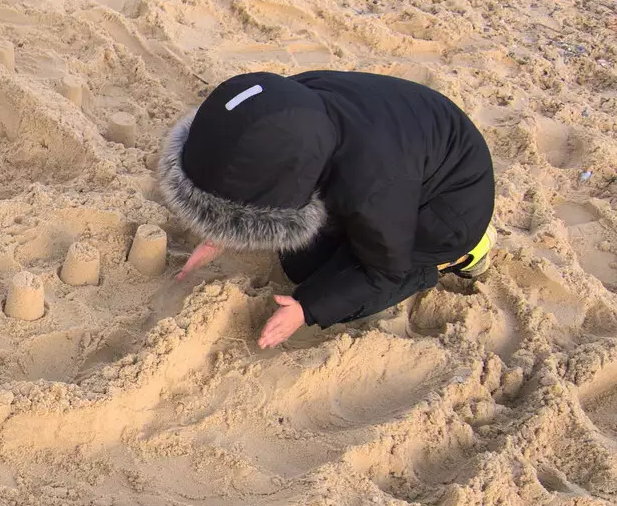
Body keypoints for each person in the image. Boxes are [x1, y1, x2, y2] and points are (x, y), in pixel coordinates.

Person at [160, 71, 495, 349]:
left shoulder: (371, 185)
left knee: (329, 288)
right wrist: (221, 233)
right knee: (298, 262)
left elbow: (384, 271)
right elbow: (235, 165)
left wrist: (306, 309)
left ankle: (464, 254)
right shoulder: (281, 104)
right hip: (400, 153)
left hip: (449, 207)